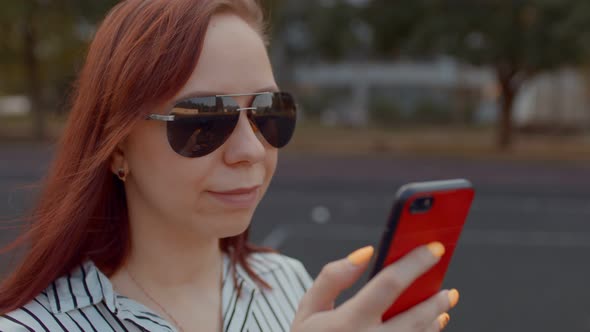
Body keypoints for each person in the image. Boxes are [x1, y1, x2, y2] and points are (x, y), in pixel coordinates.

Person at [0, 0, 459, 331]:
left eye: (269, 113)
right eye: (204, 119)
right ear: (117, 147)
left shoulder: (288, 283)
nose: (251, 150)